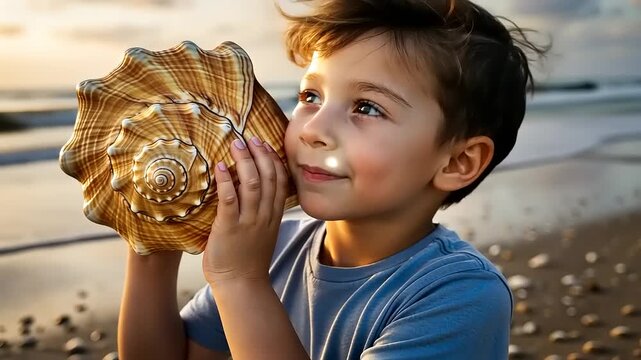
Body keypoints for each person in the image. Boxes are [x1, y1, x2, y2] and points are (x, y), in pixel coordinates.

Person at [118, 0, 547, 359]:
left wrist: (240, 282)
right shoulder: (274, 247)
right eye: (310, 96)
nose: (311, 129)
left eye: (367, 107)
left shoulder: (460, 295)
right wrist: (152, 247)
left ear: (458, 162)